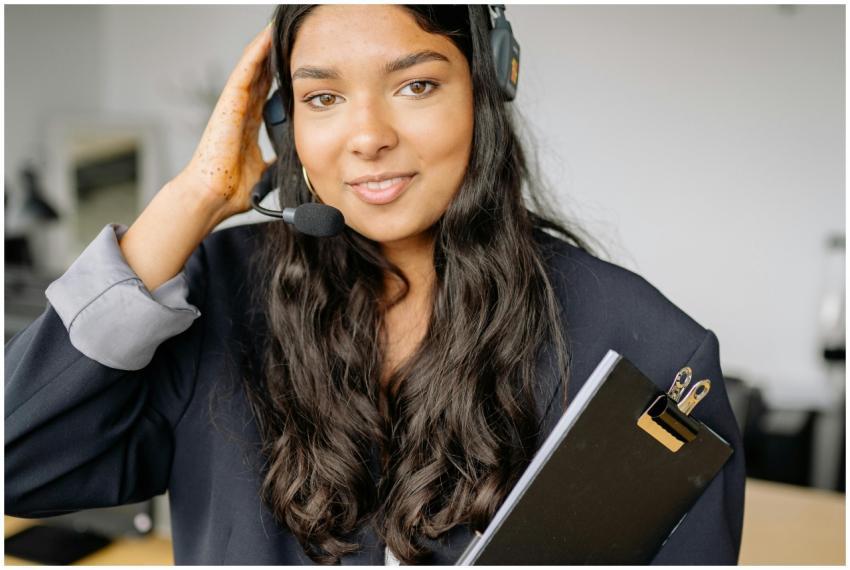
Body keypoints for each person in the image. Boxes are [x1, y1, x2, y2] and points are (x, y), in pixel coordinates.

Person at [4, 5, 745, 565]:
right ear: (284, 121)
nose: (367, 137)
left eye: (416, 85)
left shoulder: (644, 345)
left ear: (484, 88)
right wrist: (194, 197)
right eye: (322, 98)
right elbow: (17, 464)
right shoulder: (219, 292)